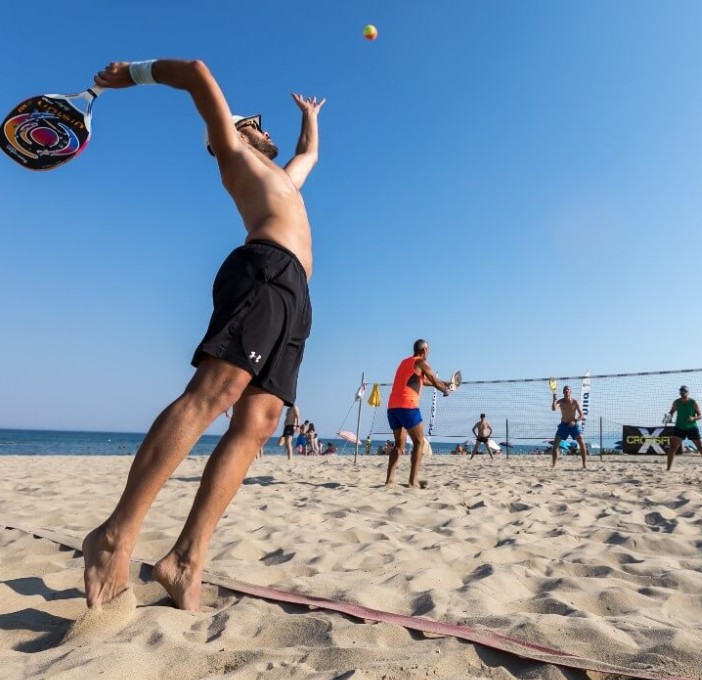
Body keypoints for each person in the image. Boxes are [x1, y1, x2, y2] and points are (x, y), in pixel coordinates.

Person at [81, 58, 325, 611]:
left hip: (296, 292)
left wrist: (309, 116)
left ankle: (186, 558)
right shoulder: (233, 154)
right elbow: (194, 72)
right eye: (255, 120)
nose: (266, 126)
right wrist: (133, 75)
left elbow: (309, 154)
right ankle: (115, 534)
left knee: (260, 422)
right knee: (212, 395)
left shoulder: (283, 178)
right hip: (262, 271)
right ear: (232, 133)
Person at [384, 339, 451, 488]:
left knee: (399, 446)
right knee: (419, 442)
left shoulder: (404, 362)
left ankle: (389, 480)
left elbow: (423, 380)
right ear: (424, 350)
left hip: (392, 408)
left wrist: (444, 383)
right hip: (408, 407)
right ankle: (412, 481)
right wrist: (445, 390)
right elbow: (433, 379)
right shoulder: (421, 362)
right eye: (428, 349)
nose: (429, 352)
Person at [664, 385, 702, 474]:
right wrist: (668, 417)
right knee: (673, 447)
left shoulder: (693, 402)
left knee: (701, 448)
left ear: (688, 393)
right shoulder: (676, 402)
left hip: (692, 427)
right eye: (681, 392)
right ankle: (668, 469)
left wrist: (693, 418)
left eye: (684, 392)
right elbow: (671, 412)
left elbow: (700, 416)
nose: (682, 394)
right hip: (680, 427)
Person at [551, 385, 588, 469]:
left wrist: (574, 421)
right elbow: (553, 409)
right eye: (565, 390)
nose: (566, 391)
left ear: (570, 392)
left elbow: (581, 415)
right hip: (563, 425)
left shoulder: (574, 402)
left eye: (568, 389)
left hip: (573, 425)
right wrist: (554, 400)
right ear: (563, 392)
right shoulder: (560, 401)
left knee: (582, 444)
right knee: (555, 446)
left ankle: (584, 464)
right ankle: (553, 465)